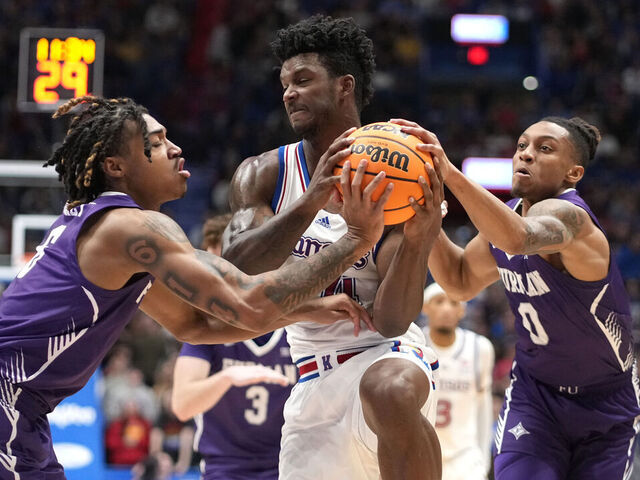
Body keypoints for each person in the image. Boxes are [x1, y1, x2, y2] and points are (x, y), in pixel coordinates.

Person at [0, 95, 390, 478]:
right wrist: (355, 240)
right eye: (154, 143)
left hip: (23, 411)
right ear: (115, 166)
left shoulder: (117, 236)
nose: (174, 149)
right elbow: (247, 300)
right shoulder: (130, 227)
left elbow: (196, 325)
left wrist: (304, 310)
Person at [223, 16, 443, 480]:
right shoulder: (265, 173)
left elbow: (390, 319)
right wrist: (311, 199)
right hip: (311, 376)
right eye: (284, 83)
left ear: (345, 86)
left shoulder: (398, 176)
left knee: (390, 391)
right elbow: (237, 271)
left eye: (302, 80)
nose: (288, 93)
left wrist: (420, 240)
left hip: (388, 354)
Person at [396, 116, 640, 479]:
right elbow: (460, 281)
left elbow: (519, 239)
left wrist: (448, 172)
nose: (525, 155)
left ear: (573, 173)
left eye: (544, 149)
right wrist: (423, 218)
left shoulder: (572, 219)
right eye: (522, 145)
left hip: (605, 405)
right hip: (535, 395)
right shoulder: (509, 217)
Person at [172, 213, 296, 479]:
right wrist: (228, 377)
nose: (214, 275)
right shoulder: (206, 329)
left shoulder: (296, 325)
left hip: (289, 465)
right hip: (225, 469)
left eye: (218, 261)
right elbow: (182, 404)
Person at [421, 282, 495, 480]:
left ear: (462, 311)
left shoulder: (480, 348)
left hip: (465, 459)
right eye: (439, 302)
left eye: (453, 303)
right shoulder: (414, 346)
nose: (446, 309)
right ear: (425, 308)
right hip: (422, 457)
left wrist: (483, 459)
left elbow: (484, 407)